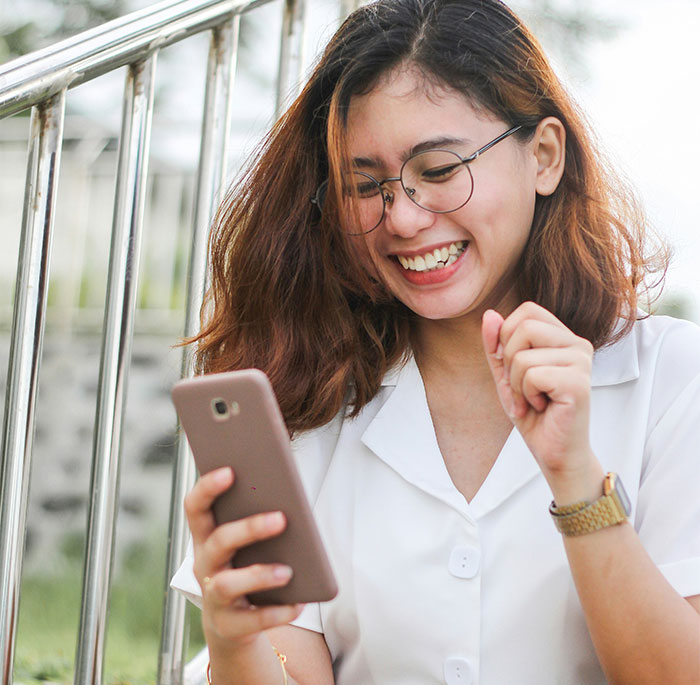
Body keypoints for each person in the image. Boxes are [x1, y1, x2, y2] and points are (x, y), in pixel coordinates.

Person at [170, 0, 700, 682]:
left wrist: (576, 478)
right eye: (367, 185)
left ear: (543, 156)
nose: (404, 218)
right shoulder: (303, 392)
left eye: (441, 170)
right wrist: (237, 644)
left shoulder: (673, 377)